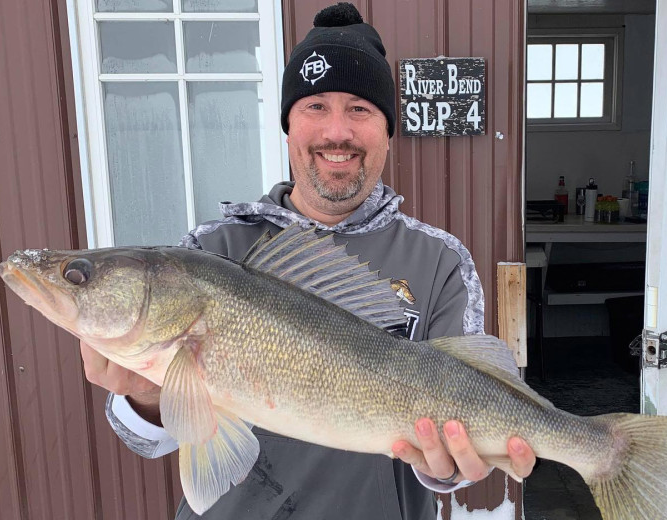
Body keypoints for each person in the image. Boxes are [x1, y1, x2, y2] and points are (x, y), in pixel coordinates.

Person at [82, 3, 536, 519]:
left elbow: (448, 463)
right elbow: (145, 441)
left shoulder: (439, 260)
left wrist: (448, 464)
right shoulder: (213, 253)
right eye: (315, 106)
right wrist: (143, 396)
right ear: (288, 124)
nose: (336, 131)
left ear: (388, 130)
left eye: (360, 109)